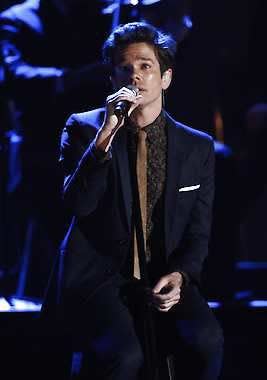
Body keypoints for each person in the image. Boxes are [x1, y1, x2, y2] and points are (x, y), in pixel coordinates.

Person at [42, 21, 224, 380]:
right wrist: (106, 133)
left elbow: (198, 231)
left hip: (163, 272)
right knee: (124, 357)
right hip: (100, 276)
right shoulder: (83, 128)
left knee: (208, 340)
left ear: (165, 78)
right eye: (124, 68)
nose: (135, 77)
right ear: (111, 80)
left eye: (145, 66)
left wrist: (181, 274)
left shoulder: (196, 146)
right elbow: (78, 205)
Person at [0, 0, 111, 297]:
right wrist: (73, 78)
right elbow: (13, 76)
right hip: (44, 142)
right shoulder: (18, 19)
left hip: (102, 137)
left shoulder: (106, 13)